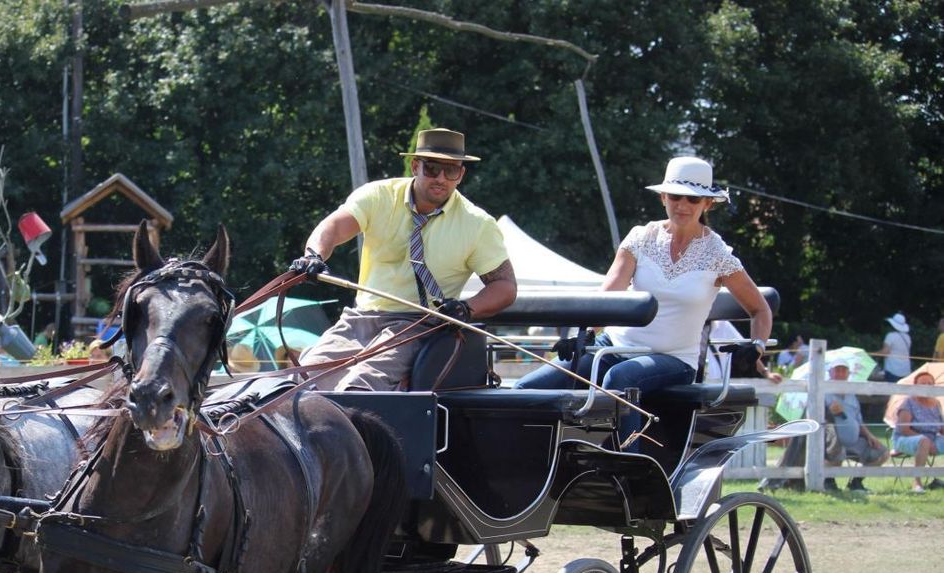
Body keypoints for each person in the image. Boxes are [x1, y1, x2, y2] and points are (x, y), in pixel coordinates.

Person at [516, 156, 776, 450]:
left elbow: (760, 309)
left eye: (692, 199)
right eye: (675, 196)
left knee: (621, 377)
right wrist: (584, 334)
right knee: (526, 389)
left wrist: (757, 346)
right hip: (612, 347)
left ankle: (630, 467)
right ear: (663, 198)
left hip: (674, 358)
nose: (682, 205)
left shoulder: (718, 254)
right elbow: (609, 294)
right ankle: (526, 464)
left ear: (707, 204)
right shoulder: (641, 238)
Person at [288, 128, 517, 390]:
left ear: (461, 174)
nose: (441, 178)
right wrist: (314, 255)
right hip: (360, 319)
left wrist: (467, 308)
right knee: (301, 379)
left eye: (451, 171)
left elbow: (505, 286)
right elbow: (334, 227)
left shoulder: (478, 224)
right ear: (415, 166)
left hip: (420, 323)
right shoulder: (378, 195)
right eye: (432, 168)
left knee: (361, 383)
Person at [825, 356, 890, 491]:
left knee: (882, 452)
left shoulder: (851, 394)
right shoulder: (823, 392)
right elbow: (817, 419)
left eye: (844, 370)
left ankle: (856, 482)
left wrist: (869, 436)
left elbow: (858, 420)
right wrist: (828, 412)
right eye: (837, 370)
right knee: (836, 448)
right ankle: (828, 482)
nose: (840, 374)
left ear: (848, 374)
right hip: (830, 441)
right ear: (830, 373)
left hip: (854, 441)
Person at [890, 372, 943, 493]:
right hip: (905, 438)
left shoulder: (936, 403)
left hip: (932, 440)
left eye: (930, 383)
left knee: (925, 441)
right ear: (915, 385)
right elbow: (904, 429)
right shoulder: (908, 402)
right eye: (923, 383)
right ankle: (917, 483)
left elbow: (941, 428)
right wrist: (927, 442)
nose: (927, 386)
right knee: (923, 441)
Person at [881, 312, 911, 382]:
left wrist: (872, 354)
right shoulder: (908, 337)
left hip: (893, 370)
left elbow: (885, 352)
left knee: (891, 389)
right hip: (906, 371)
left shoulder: (890, 336)